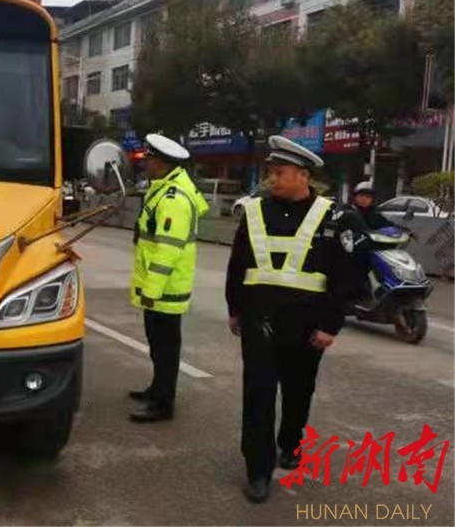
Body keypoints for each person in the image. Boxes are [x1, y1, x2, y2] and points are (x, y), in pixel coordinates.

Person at [225, 136, 366, 503]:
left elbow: (347, 277)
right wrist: (235, 309)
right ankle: (258, 470)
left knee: (298, 391)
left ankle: (291, 444)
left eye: (280, 173)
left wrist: (330, 326)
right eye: (270, 172)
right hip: (259, 321)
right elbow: (238, 265)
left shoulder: (336, 217)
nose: (273, 178)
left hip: (307, 326)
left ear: (303, 175)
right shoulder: (255, 211)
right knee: (257, 395)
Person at [128, 133, 209, 423]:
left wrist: (151, 288)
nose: (144, 164)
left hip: (165, 288)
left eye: (148, 159)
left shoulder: (174, 199)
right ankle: (156, 389)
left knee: (165, 347)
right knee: (157, 343)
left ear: (161, 163)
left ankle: (163, 404)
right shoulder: (163, 189)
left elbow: (167, 250)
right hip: (160, 287)